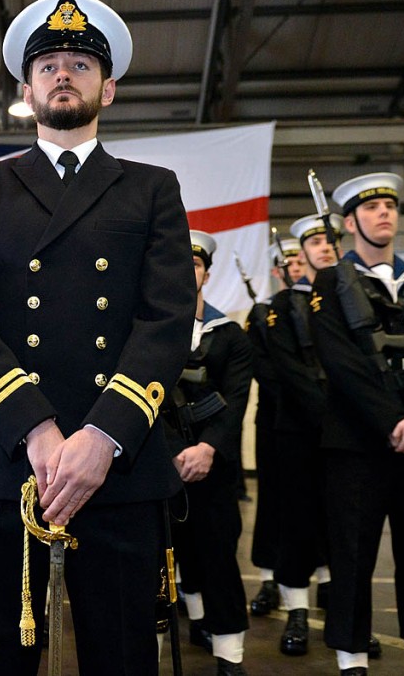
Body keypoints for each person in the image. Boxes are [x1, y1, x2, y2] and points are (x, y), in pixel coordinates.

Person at [0, 0, 196, 673]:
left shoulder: (152, 189)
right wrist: (36, 429)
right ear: (27, 90)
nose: (63, 75)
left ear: (107, 87)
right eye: (48, 65)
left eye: (80, 64)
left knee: (123, 656)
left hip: (119, 462)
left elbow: (167, 320)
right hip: (7, 460)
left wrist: (101, 437)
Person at [310, 172, 404, 676]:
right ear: (349, 223)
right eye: (371, 209)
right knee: (352, 554)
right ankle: (351, 657)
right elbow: (342, 364)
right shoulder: (329, 284)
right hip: (357, 443)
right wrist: (396, 420)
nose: (384, 214)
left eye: (390, 206)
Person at [168, 231, 254, 676]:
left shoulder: (231, 336)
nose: (189, 271)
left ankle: (230, 655)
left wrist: (206, 449)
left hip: (213, 468)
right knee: (155, 566)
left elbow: (235, 400)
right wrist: (175, 452)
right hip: (162, 467)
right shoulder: (152, 332)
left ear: (206, 272)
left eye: (196, 265)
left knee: (220, 561)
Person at [265, 214, 343, 656]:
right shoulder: (280, 305)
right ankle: (297, 611)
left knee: (342, 523)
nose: (324, 248)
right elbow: (288, 372)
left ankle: (341, 606)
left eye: (329, 240)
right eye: (314, 241)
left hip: (347, 428)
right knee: (297, 522)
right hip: (298, 428)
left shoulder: (347, 293)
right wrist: (328, 413)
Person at [246, 237, 303, 618]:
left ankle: (324, 580)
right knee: (273, 501)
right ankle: (268, 577)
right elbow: (261, 367)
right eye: (290, 260)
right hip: (275, 418)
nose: (296, 265)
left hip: (316, 421)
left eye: (301, 258)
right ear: (277, 268)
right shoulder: (262, 312)